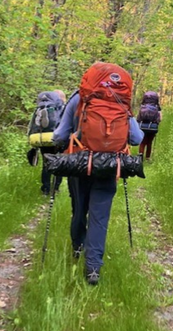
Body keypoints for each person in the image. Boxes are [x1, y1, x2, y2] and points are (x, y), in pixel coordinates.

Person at [52, 88, 144, 285]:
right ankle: (93, 268)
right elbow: (136, 138)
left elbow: (59, 135)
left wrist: (64, 141)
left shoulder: (78, 98)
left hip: (79, 164)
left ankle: (78, 247)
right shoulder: (120, 100)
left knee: (79, 209)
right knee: (99, 216)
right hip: (109, 167)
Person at [39, 90, 66, 195]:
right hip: (59, 138)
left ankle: (45, 189)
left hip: (44, 138)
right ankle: (56, 188)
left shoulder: (43, 107)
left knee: (46, 164)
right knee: (59, 163)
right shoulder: (64, 108)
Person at [137, 91, 162, 161]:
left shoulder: (142, 106)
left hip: (142, 127)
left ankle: (140, 156)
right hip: (152, 127)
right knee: (149, 142)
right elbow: (160, 118)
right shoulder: (157, 107)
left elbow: (138, 118)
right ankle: (148, 157)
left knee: (142, 142)